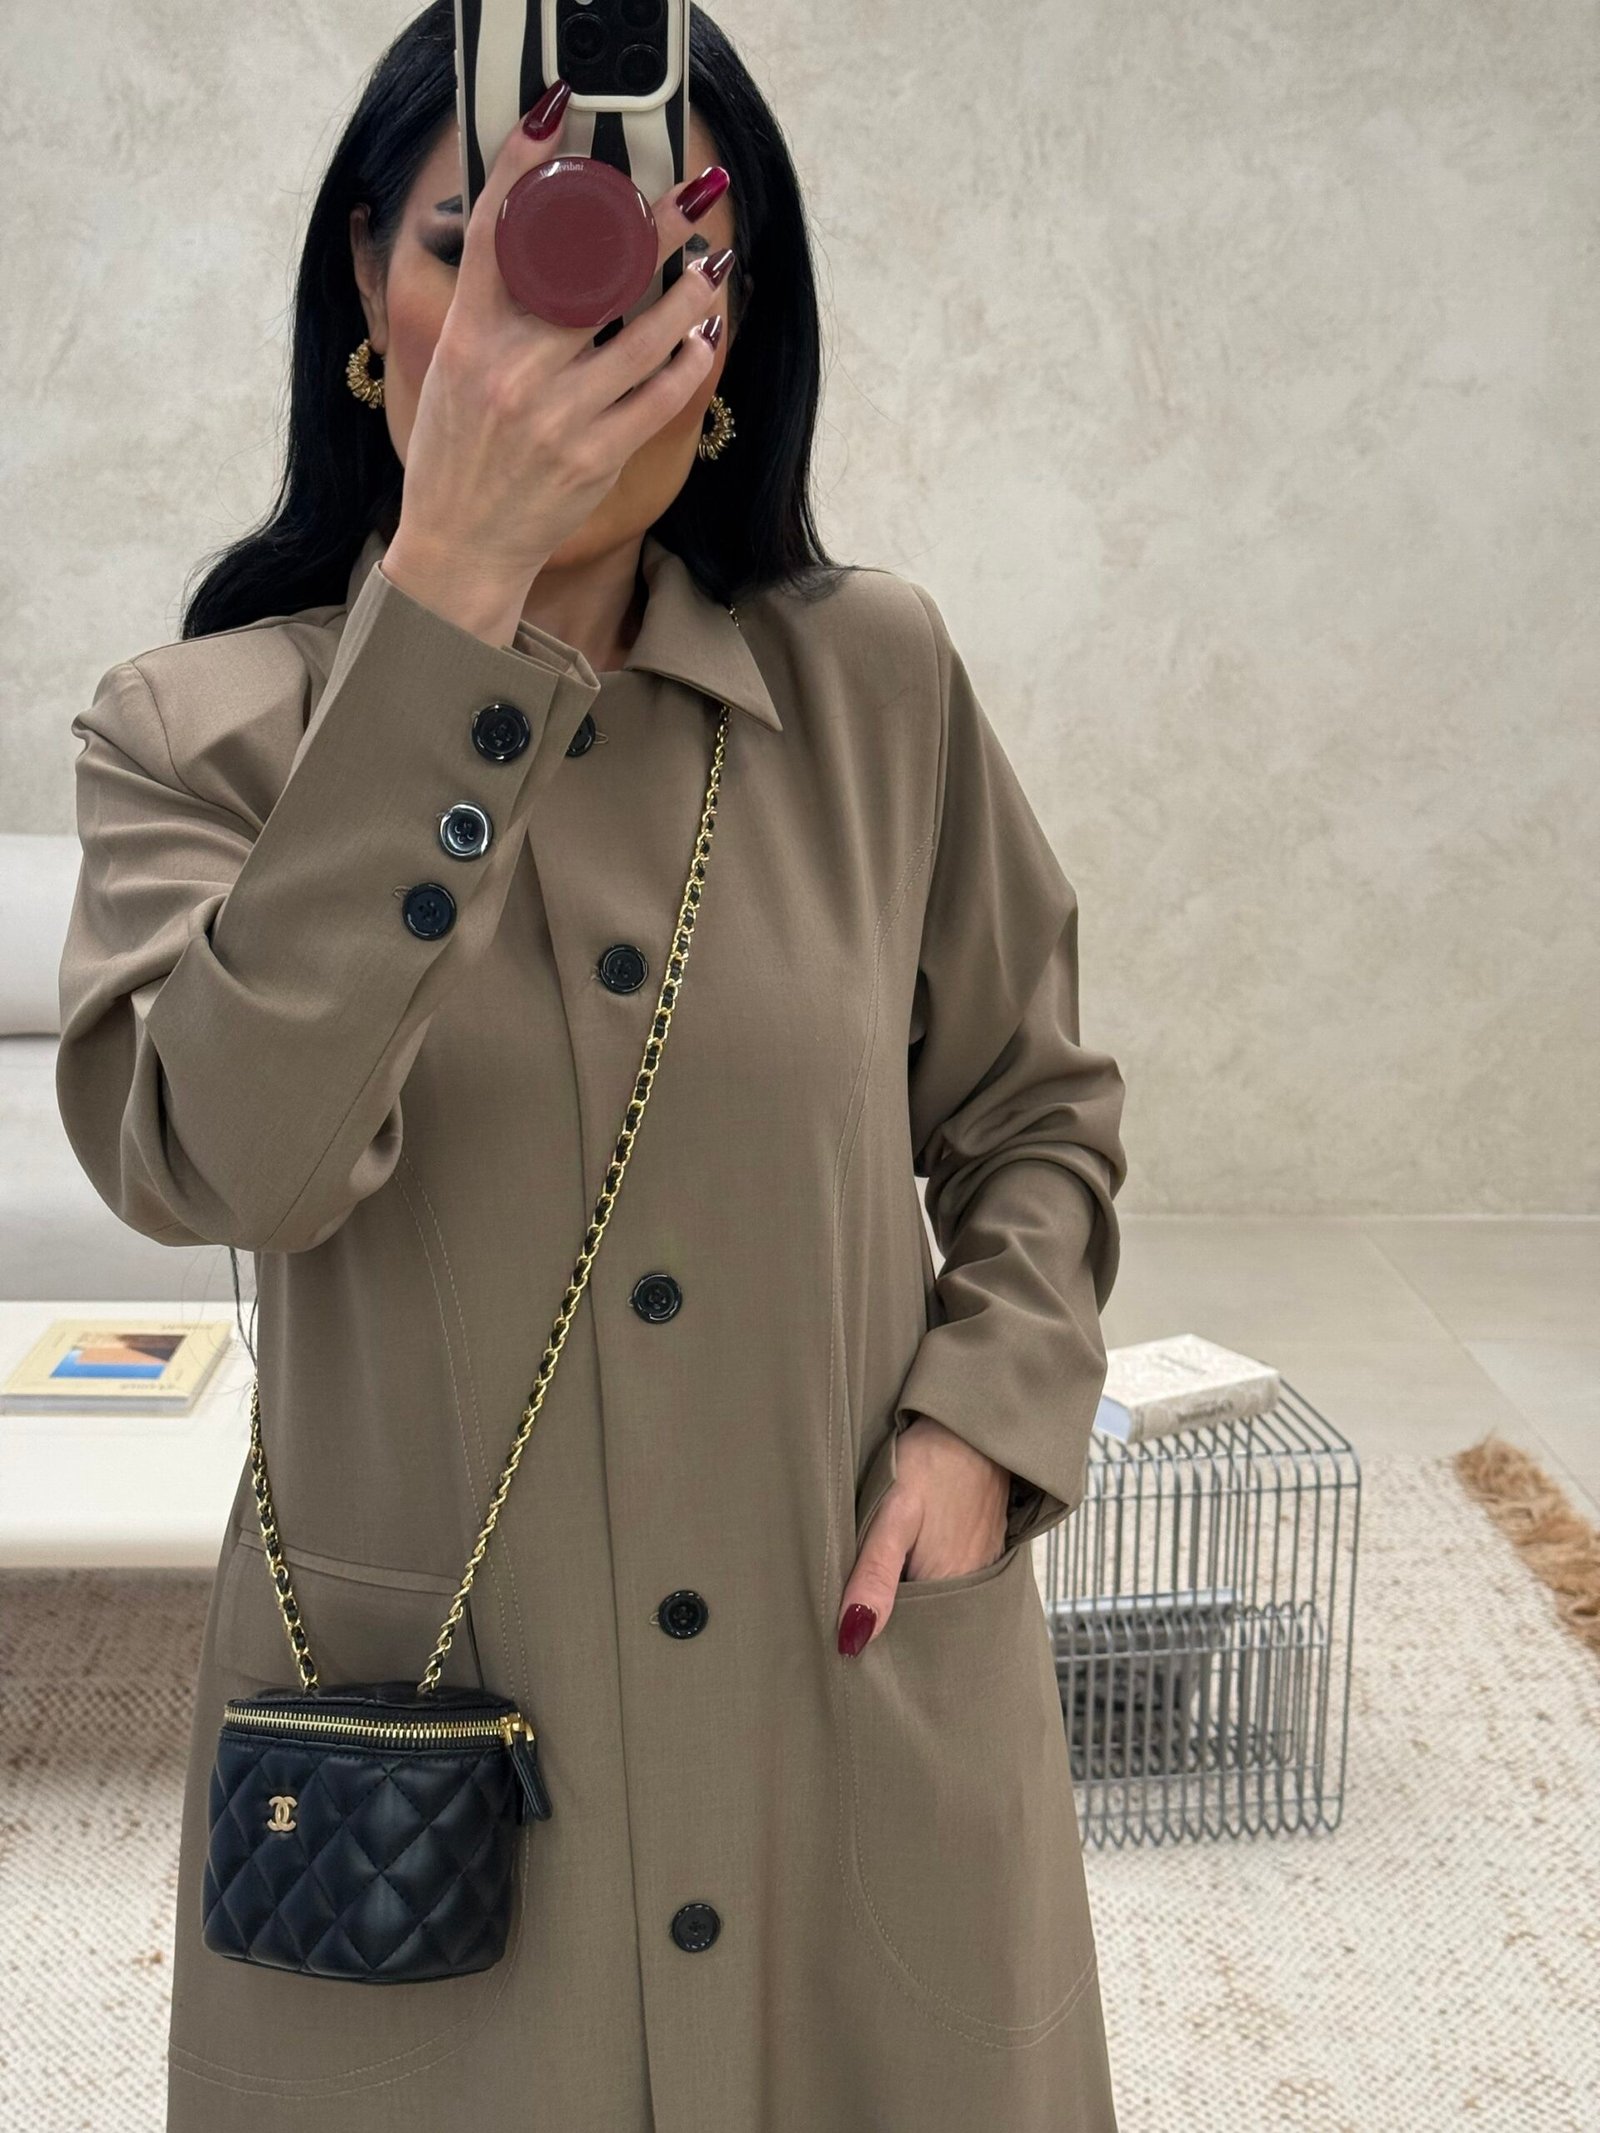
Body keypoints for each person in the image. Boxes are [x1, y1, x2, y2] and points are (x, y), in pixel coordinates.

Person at [54, 7, 1128, 2129]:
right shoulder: (198, 736)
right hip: (426, 1787)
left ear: (735, 320)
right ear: (367, 293)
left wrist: (982, 1427)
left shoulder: (875, 682)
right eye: (486, 249)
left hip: (847, 1724)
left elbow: (1035, 1111)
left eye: (651, 255)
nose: (564, 323)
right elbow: (227, 1163)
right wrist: (455, 586)